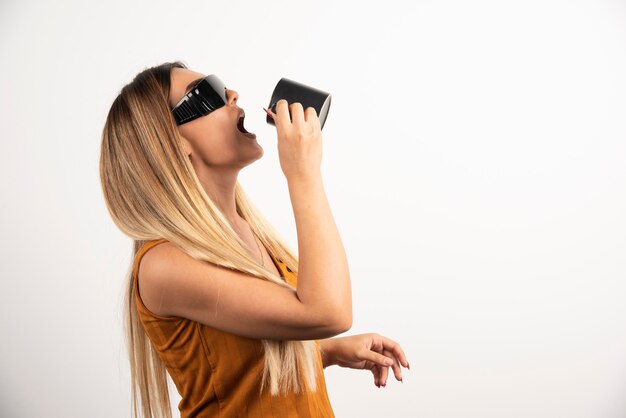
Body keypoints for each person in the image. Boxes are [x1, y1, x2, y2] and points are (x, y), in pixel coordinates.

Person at [99, 61, 409, 418]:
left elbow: (241, 366)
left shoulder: (250, 232)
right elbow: (329, 311)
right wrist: (303, 173)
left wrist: (324, 351)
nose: (232, 94)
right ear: (171, 142)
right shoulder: (162, 265)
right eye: (208, 93)